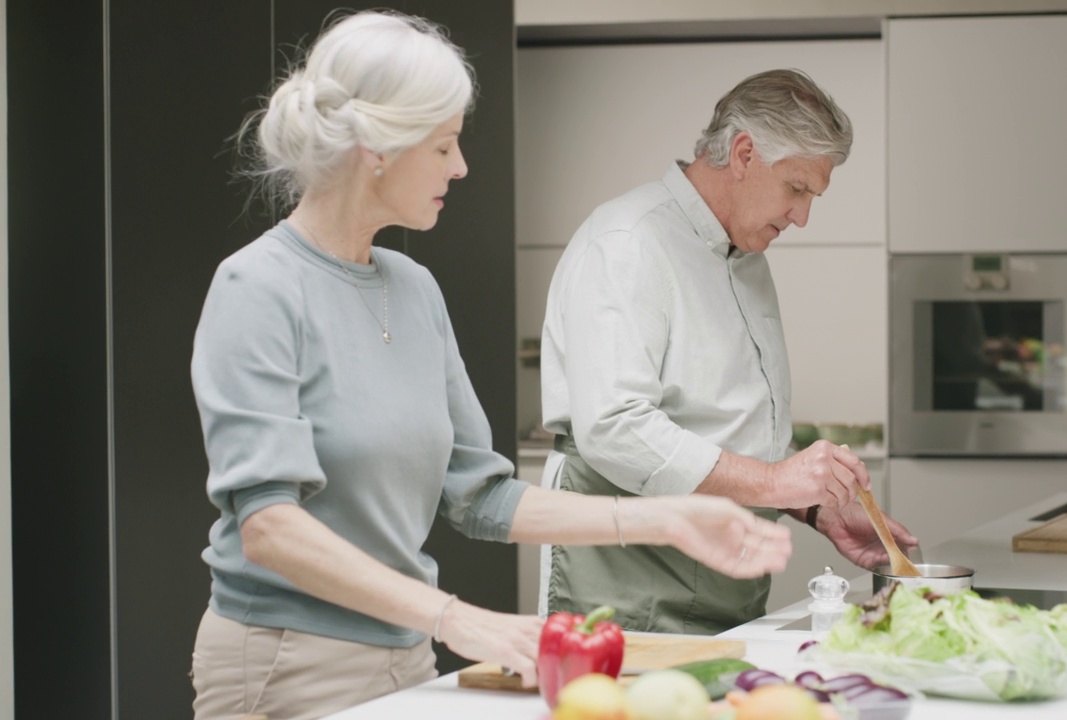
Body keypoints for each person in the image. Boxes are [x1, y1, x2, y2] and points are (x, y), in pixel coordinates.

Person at [188, 11, 792, 720]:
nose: (461, 166)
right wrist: (458, 618)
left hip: (408, 652)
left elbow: (483, 496)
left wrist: (670, 518)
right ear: (378, 148)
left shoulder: (413, 290)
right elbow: (268, 528)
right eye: (444, 145)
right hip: (287, 660)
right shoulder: (257, 287)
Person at [540, 69, 918, 634]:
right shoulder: (629, 242)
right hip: (628, 569)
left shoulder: (744, 257)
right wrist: (774, 484)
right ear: (743, 154)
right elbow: (615, 428)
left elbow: (723, 427)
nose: (803, 216)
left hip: (723, 571)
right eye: (797, 189)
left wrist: (815, 507)